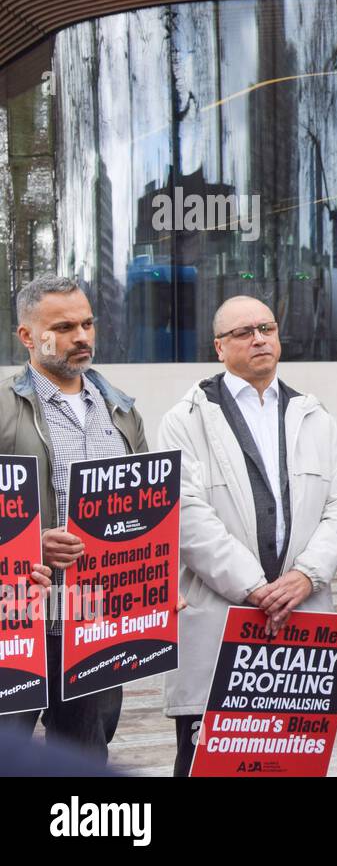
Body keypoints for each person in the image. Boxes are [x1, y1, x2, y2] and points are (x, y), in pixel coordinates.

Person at [157, 295, 337, 777]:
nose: (259, 338)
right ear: (219, 348)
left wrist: (307, 576)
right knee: (210, 760)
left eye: (266, 327)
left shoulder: (314, 416)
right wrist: (254, 587)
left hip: (300, 615)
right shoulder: (184, 420)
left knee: (288, 762)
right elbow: (186, 515)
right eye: (244, 332)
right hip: (223, 614)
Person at [0, 274, 149, 761]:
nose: (81, 336)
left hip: (93, 622)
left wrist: (159, 574)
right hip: (18, 617)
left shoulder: (120, 409)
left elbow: (147, 508)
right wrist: (27, 543)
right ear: (27, 336)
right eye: (63, 326)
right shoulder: (5, 408)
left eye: (87, 323)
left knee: (86, 756)